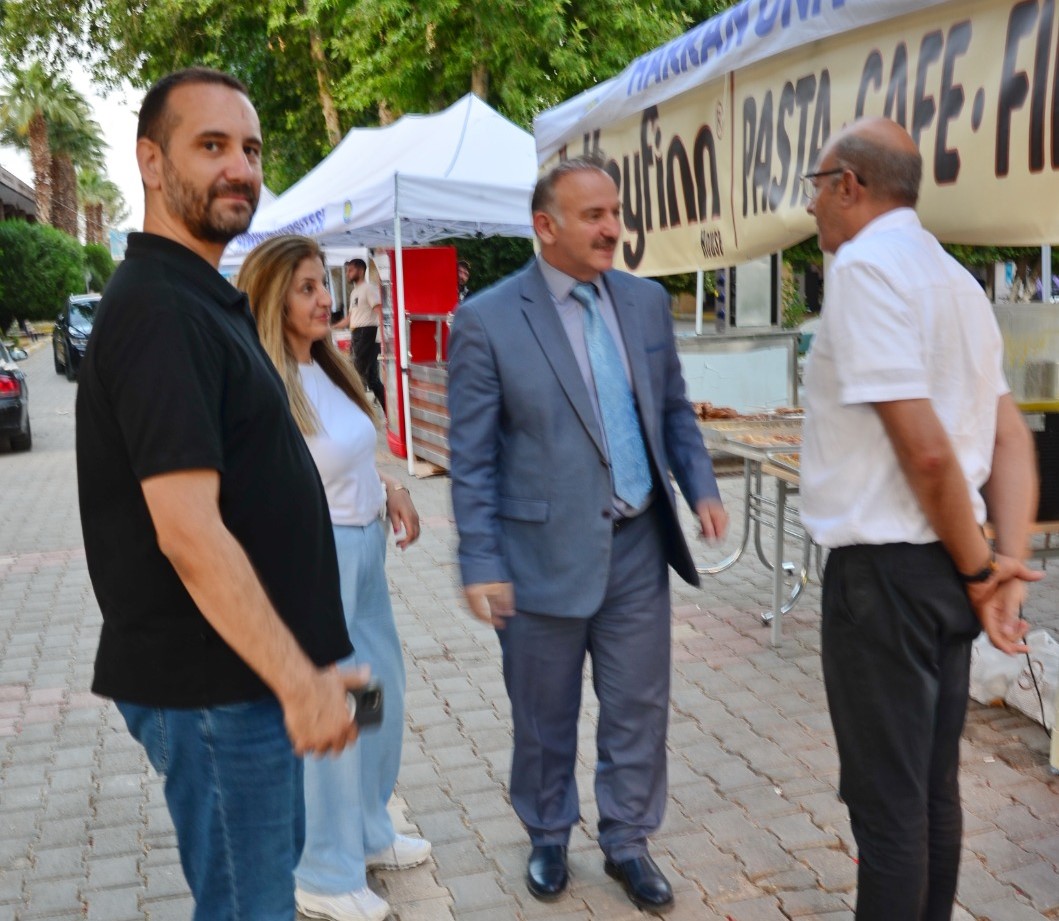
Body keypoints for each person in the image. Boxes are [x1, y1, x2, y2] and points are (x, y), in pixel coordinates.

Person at [75, 68, 366, 921]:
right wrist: (298, 680)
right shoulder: (160, 308)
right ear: (151, 162)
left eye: (251, 149)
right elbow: (189, 532)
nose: (240, 167)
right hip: (215, 689)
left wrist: (305, 662)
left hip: (244, 681)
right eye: (212, 146)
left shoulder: (200, 298)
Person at [447, 154, 727, 914]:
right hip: (537, 557)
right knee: (544, 714)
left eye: (615, 213)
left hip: (638, 542)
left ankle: (628, 840)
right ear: (546, 226)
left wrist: (700, 485)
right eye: (593, 216)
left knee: (639, 706)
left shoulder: (643, 302)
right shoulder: (488, 320)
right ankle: (546, 833)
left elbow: (672, 408)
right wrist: (480, 558)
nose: (612, 228)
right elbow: (471, 457)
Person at [799, 116, 1041, 921]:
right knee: (930, 790)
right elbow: (1009, 439)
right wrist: (999, 567)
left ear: (849, 185)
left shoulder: (864, 269)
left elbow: (927, 453)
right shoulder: (954, 280)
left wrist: (984, 570)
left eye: (816, 187)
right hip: (941, 568)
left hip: (888, 577)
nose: (810, 206)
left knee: (888, 808)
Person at [239, 234, 431, 921]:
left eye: (325, 283)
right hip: (315, 560)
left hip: (366, 553)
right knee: (334, 706)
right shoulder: (261, 384)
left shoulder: (327, 365)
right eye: (308, 288)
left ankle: (369, 828)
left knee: (379, 696)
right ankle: (323, 869)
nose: (327, 299)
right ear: (272, 298)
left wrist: (390, 489)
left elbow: (344, 457)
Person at [333, 257, 385, 409]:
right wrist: (331, 327)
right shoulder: (354, 292)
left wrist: (383, 336)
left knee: (356, 373)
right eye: (347, 271)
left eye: (351, 270)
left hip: (367, 333)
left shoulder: (369, 289)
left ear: (361, 270)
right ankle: (388, 411)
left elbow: (379, 311)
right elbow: (350, 318)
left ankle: (355, 409)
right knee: (371, 378)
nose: (348, 274)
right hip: (357, 333)